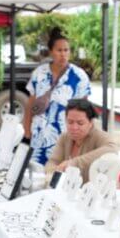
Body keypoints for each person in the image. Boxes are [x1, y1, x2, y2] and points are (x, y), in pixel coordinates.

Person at [24, 27, 91, 165]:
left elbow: (84, 113)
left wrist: (81, 140)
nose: (63, 54)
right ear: (51, 52)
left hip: (66, 138)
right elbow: (30, 105)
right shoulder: (39, 73)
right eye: (59, 50)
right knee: (37, 175)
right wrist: (27, 131)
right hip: (38, 136)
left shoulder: (79, 76)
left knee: (60, 177)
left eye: (66, 50)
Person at [45, 99, 115, 182]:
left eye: (80, 123)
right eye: (70, 122)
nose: (74, 128)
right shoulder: (65, 137)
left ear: (91, 122)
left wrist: (75, 163)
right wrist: (54, 172)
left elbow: (112, 149)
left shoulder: (99, 136)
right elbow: (52, 162)